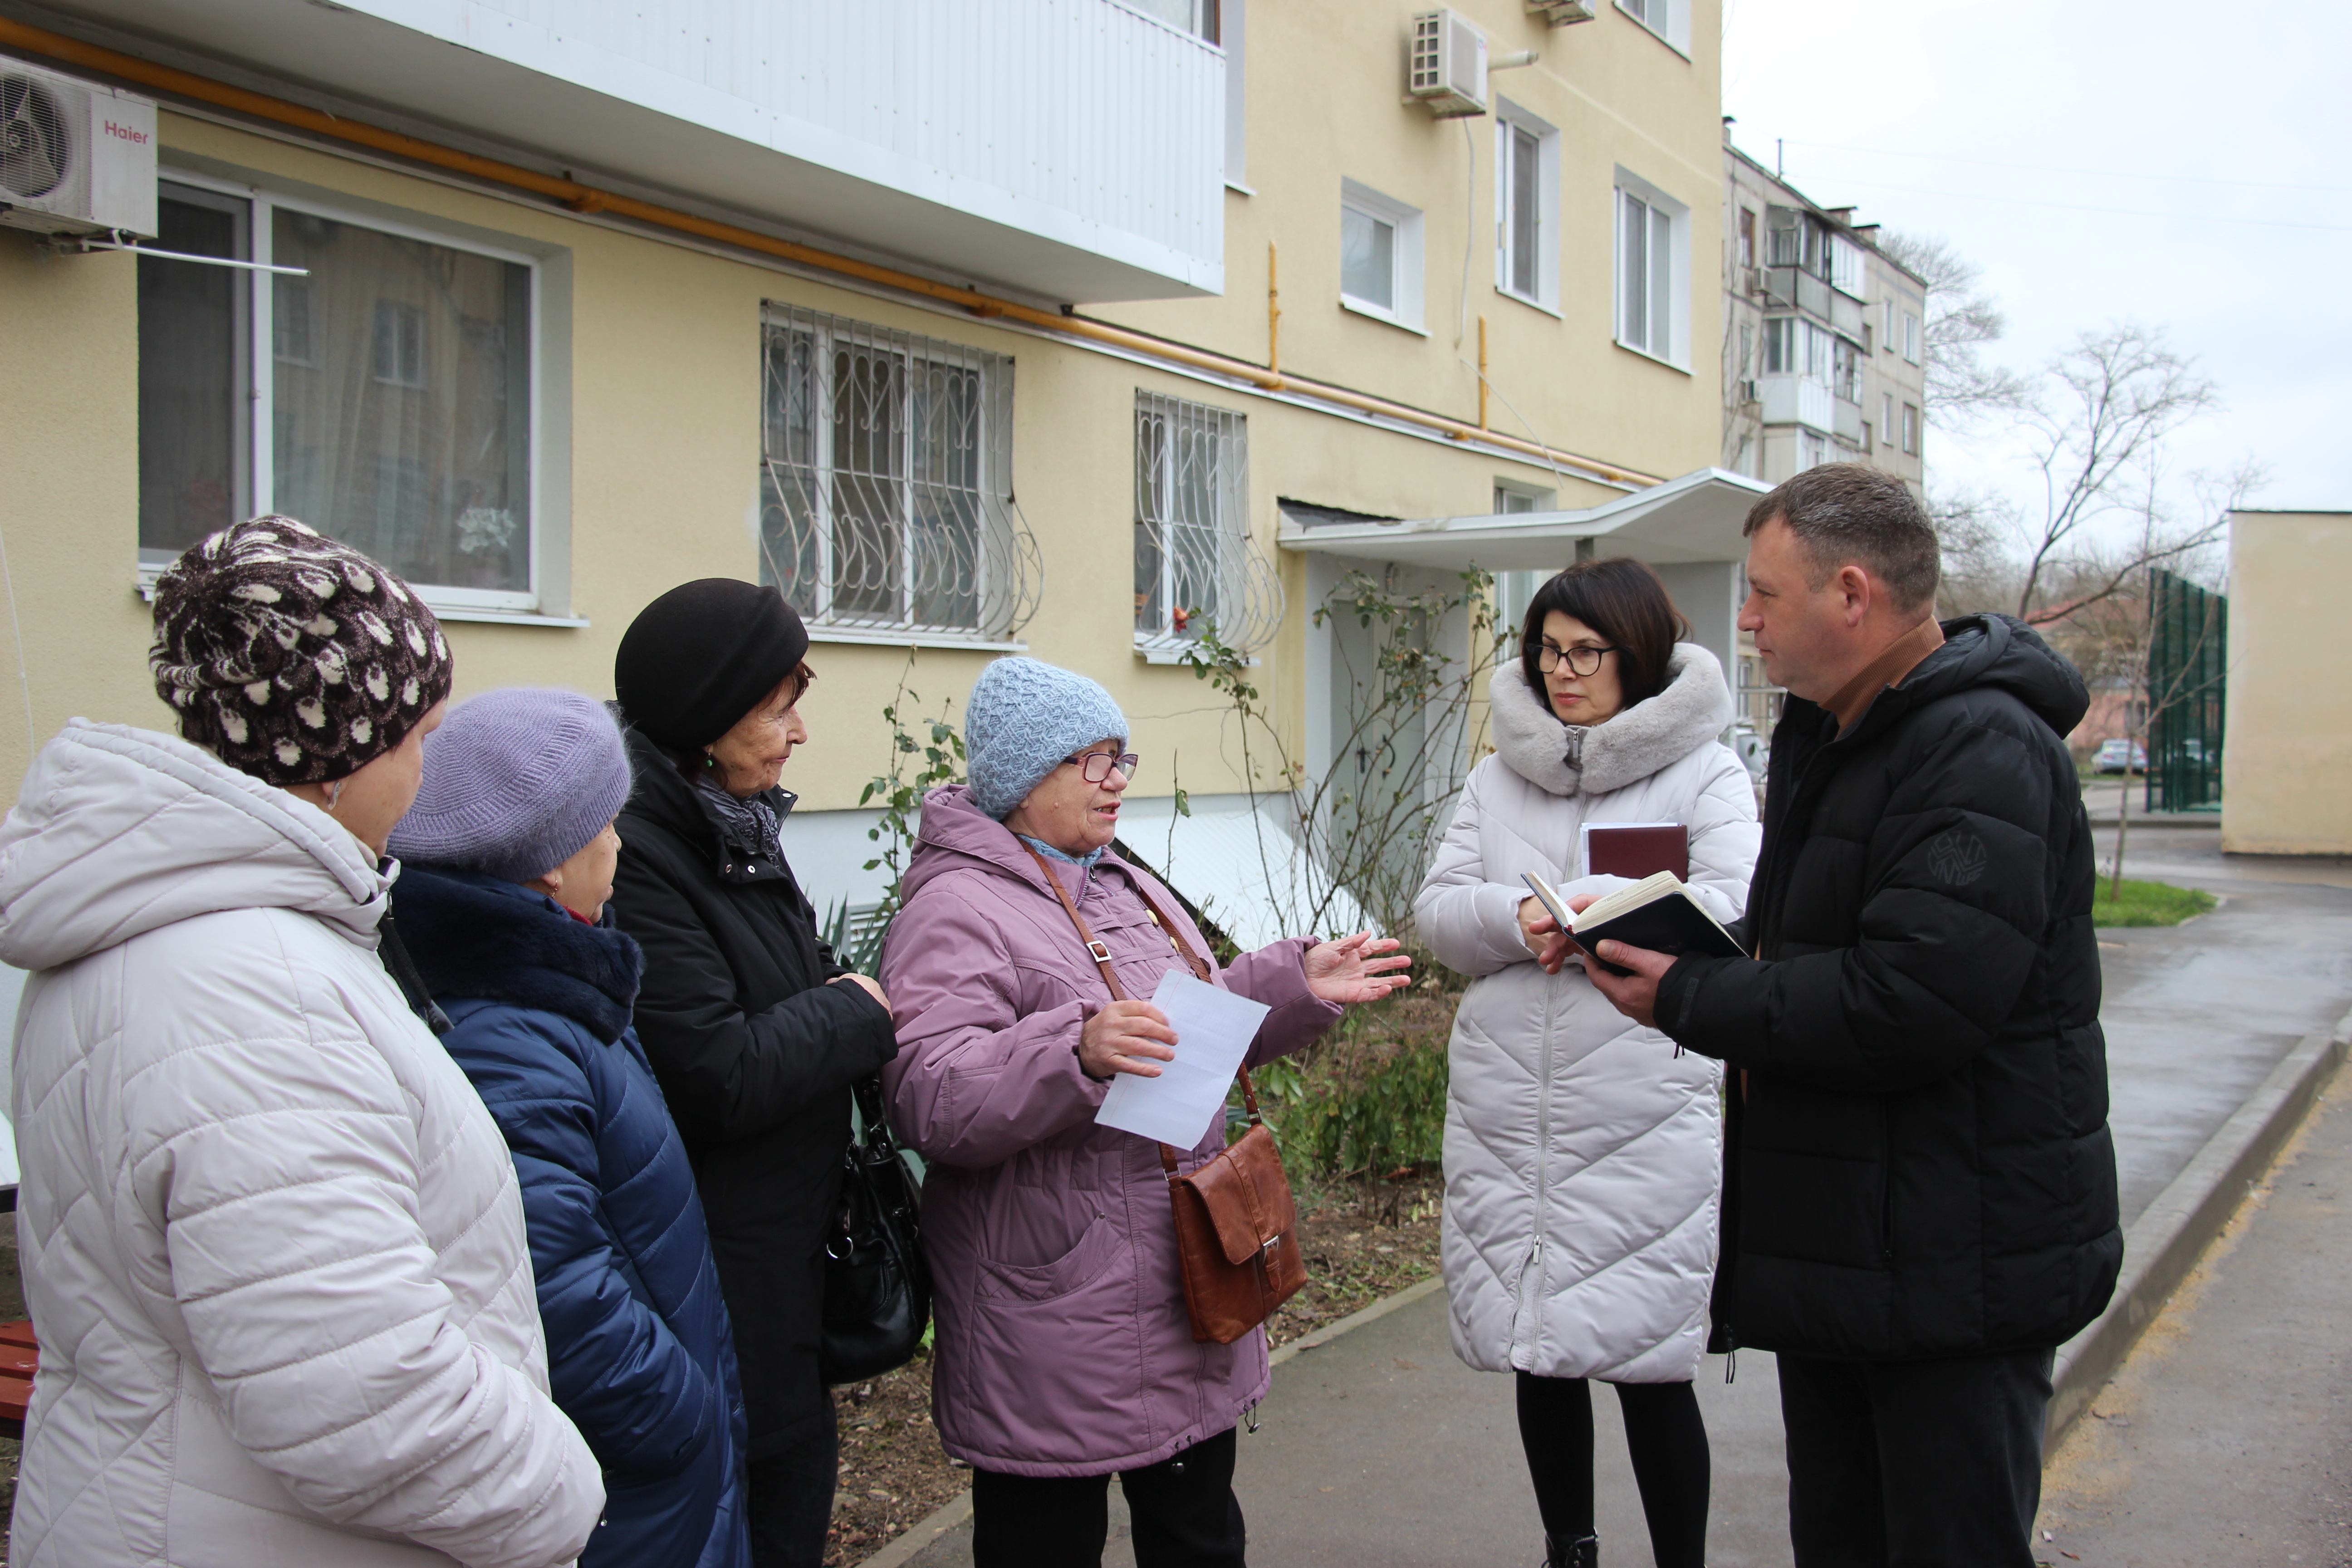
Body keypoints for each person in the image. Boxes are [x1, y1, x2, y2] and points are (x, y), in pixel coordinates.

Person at [0, 516, 603, 1568]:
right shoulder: (253, 993)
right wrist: (559, 1496)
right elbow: (369, 1401)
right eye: (421, 738)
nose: (429, 770)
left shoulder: (170, 933)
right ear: (337, 756)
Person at [1562, 465, 2122, 1567]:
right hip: (1862, 1259)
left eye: (1766, 594)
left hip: (1954, 1268)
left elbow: (1911, 1000)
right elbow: (1818, 956)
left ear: (1853, 595)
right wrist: (1677, 944)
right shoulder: (1843, 734)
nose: (1748, 620)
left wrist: (1684, 991)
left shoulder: (1981, 750)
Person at [879, 656, 1411, 1568]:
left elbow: (1177, 1035)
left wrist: (1288, 985)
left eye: (1120, 757)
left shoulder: (1116, 877)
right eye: (1090, 761)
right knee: (1045, 1548)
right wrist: (1071, 1051)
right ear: (1020, 777)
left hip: (1181, 1274)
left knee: (1201, 1537)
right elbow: (933, 1096)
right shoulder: (956, 906)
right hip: (1054, 1311)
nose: (1117, 780)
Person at [1415, 558, 1760, 1568]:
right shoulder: (1496, 774)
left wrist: (1606, 914)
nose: (1561, 672)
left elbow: (1738, 904)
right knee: (1542, 1346)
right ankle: (1569, 1548)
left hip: (1643, 1093)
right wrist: (1517, 918)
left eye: (1585, 652)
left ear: (1636, 655)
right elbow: (1438, 912)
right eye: (1546, 651)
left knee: (1650, 1357)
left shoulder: (1706, 769)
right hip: (1510, 1106)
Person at [387, 687, 753, 1568]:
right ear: (549, 861)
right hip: (627, 1474)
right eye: (606, 821)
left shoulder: (553, 985)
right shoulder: (509, 1036)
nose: (620, 842)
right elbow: (552, 1278)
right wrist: (677, 1415)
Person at [607, 578, 900, 1568]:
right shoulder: (645, 855)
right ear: (704, 714)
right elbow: (715, 1072)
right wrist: (857, 1010)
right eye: (780, 704)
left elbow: (786, 992)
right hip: (721, 1288)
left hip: (776, 1276)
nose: (800, 732)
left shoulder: (731, 827)